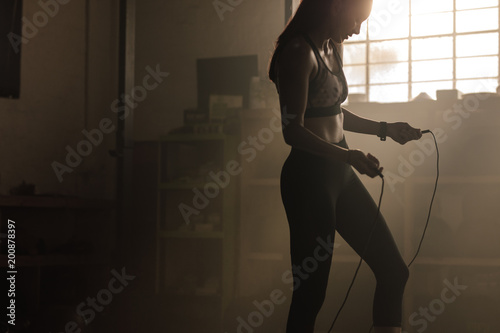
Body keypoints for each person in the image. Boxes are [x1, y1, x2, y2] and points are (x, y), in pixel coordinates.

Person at [267, 0, 423, 332]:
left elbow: (333, 111)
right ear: (336, 7)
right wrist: (348, 157)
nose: (358, 29)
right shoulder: (298, 52)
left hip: (341, 174)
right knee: (310, 294)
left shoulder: (333, 47)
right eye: (357, 20)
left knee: (394, 270)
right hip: (308, 180)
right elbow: (292, 130)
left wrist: (385, 129)